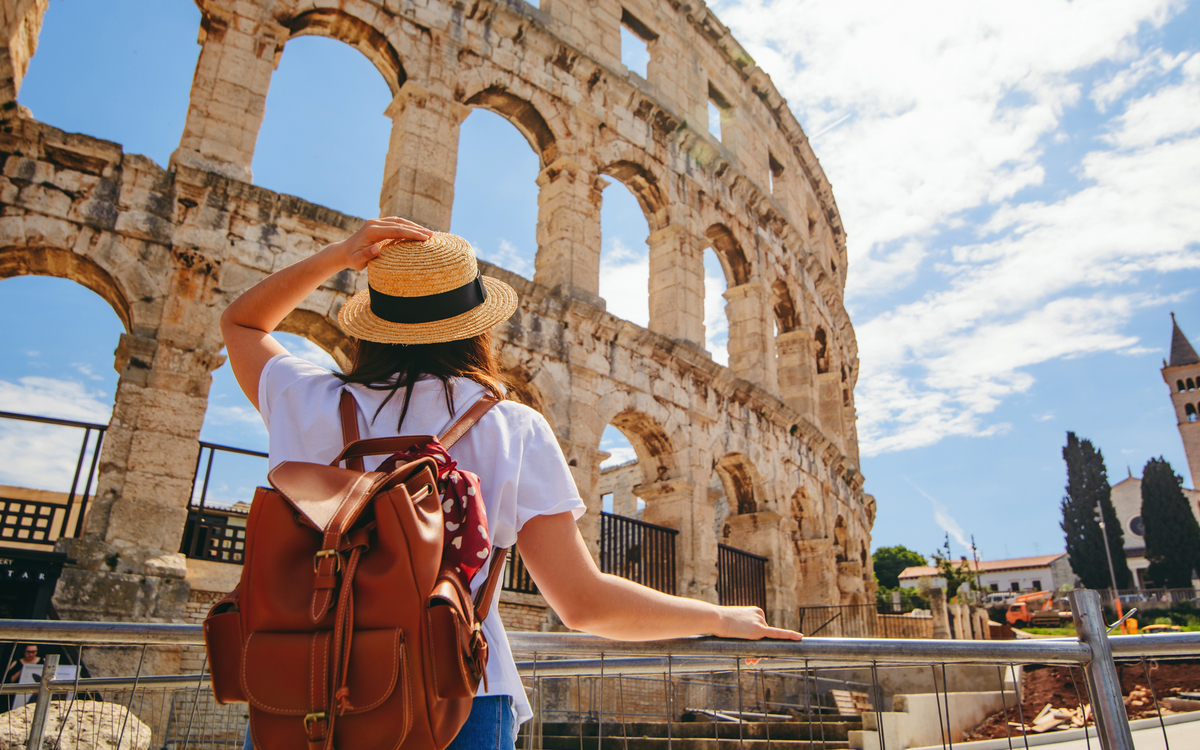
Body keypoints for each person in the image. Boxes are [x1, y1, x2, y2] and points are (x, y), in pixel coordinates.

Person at [220, 218, 802, 750]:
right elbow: (584, 603)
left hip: (306, 687)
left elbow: (241, 320)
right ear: (477, 326)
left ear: (372, 322)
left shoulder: (307, 400)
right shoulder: (512, 427)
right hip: (460, 697)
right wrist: (718, 618)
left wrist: (340, 255)